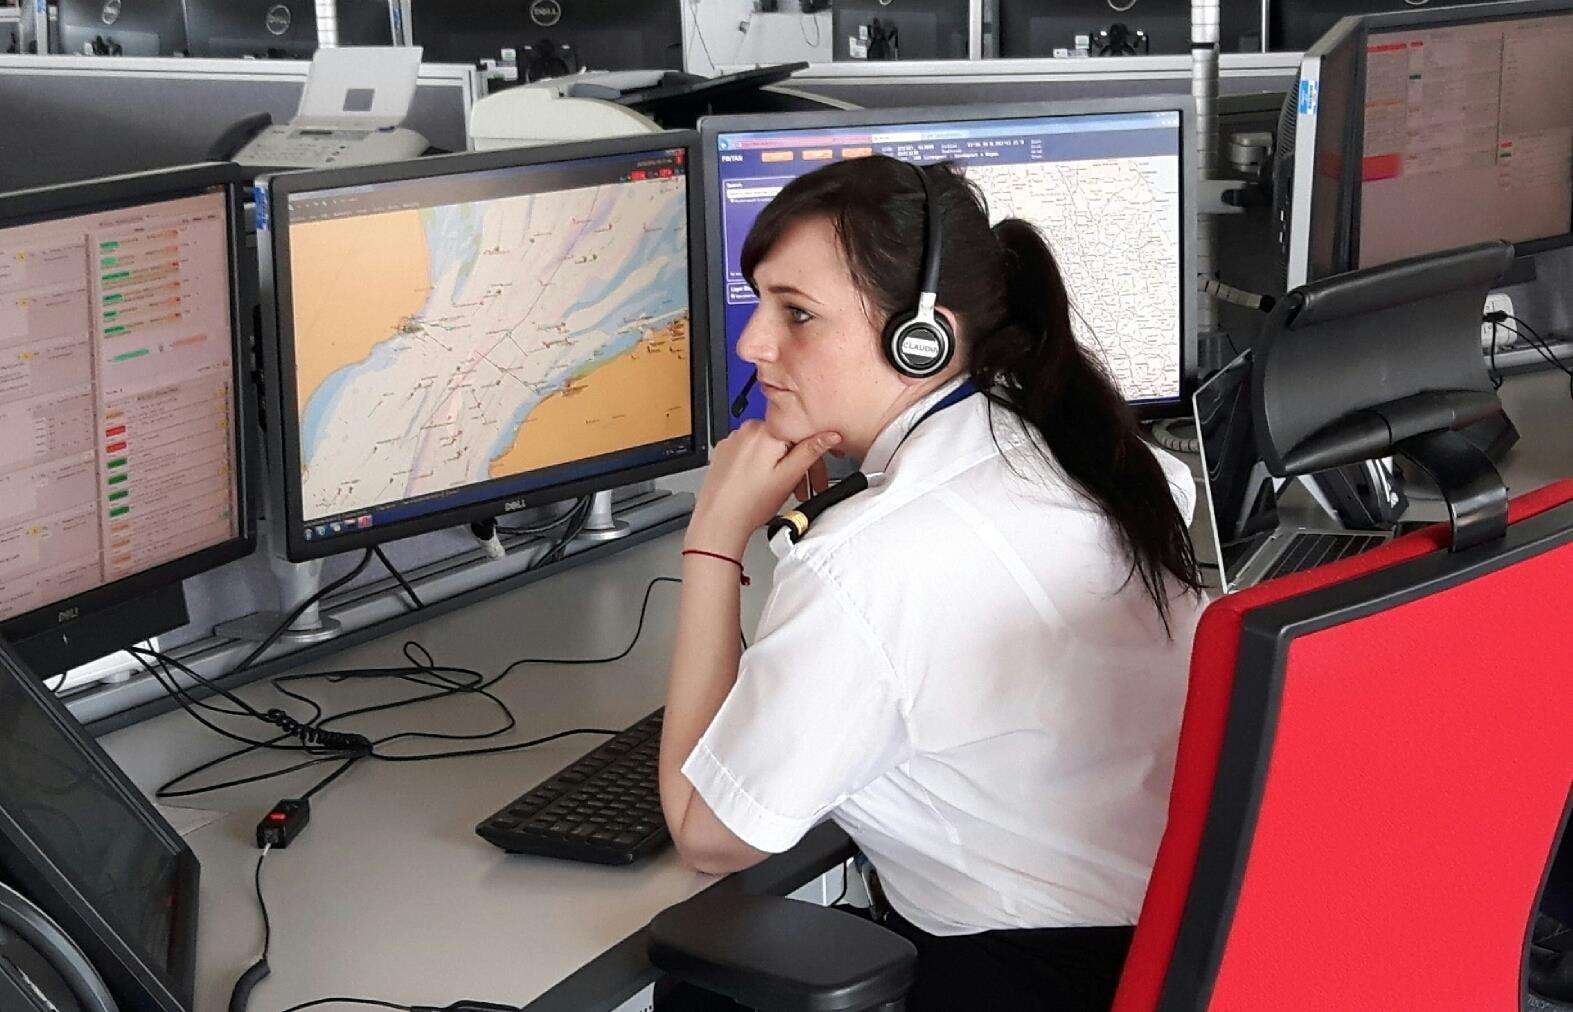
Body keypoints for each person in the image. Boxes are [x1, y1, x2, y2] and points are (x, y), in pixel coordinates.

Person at [657, 155, 1208, 1010]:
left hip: (1030, 979)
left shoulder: (870, 564)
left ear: (924, 338)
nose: (751, 344)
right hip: (1170, 949)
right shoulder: (1088, 453)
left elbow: (708, 835)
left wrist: (713, 543)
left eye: (796, 314)